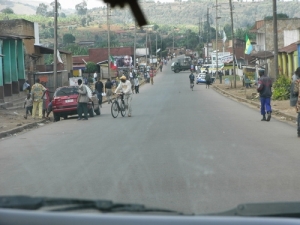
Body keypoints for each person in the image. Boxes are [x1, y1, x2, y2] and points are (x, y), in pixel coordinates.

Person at [293, 67, 300, 137]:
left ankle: (299, 130)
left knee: (299, 115)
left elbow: (295, 92)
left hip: (299, 101)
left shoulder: (297, 82)